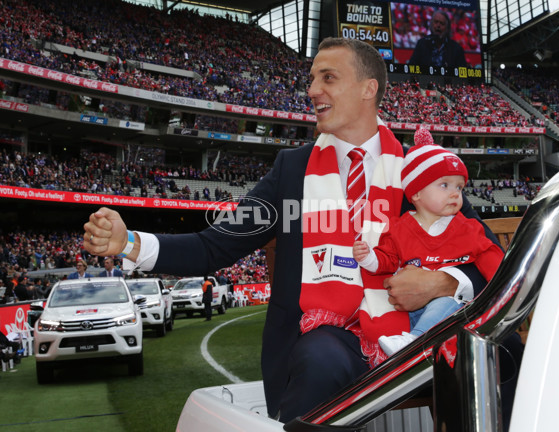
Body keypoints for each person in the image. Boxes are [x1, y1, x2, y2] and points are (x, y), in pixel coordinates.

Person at [83, 37, 520, 424]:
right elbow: (214, 246)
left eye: (328, 78)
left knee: (509, 351)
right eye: (312, 79)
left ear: (369, 90)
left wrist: (442, 282)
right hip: (329, 332)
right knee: (321, 361)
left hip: (416, 327)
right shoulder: (293, 172)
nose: (312, 90)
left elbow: (486, 256)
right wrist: (130, 243)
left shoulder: (421, 170)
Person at [353, 128, 505, 355]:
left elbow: (493, 259)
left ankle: (413, 344)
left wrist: (503, 289)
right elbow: (388, 258)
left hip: (451, 307)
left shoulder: (466, 227)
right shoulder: (400, 227)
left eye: (459, 187)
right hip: (407, 308)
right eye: (445, 185)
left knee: (447, 302)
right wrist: (369, 258)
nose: (455, 193)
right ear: (416, 194)